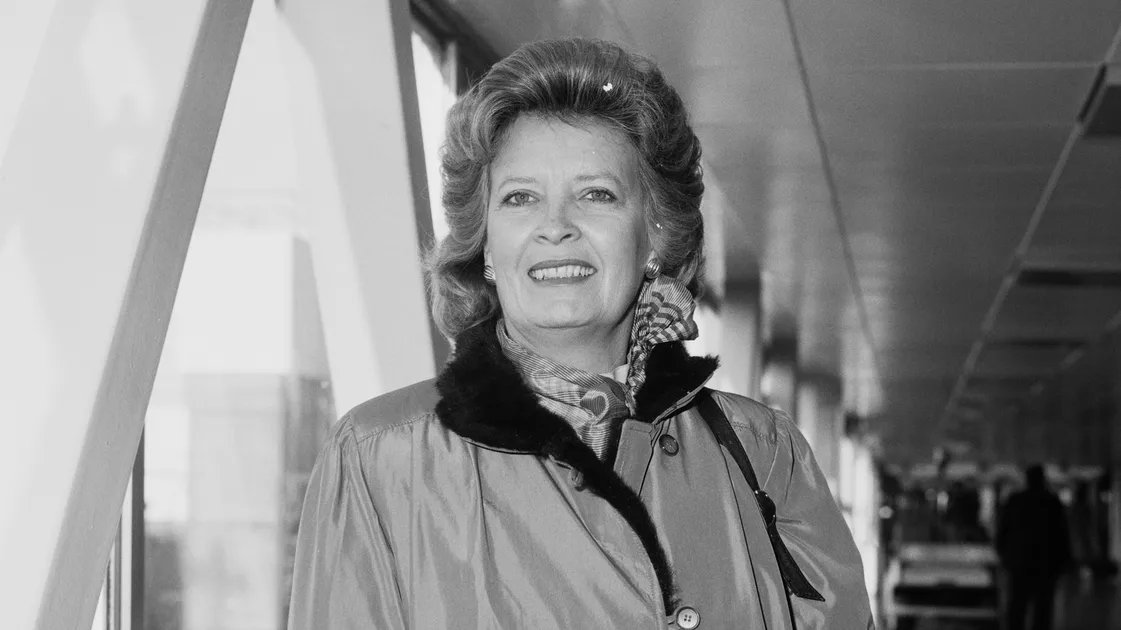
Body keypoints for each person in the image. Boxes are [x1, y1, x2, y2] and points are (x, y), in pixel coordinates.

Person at [287, 38, 872, 629]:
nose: (555, 227)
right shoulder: (378, 457)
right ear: (485, 244)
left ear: (656, 236)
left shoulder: (761, 450)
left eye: (596, 195)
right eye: (520, 198)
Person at [996, 465, 1071, 630]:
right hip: (1046, 564)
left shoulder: (1015, 500)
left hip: (1019, 563)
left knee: (1016, 607)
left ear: (1027, 480)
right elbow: (1062, 535)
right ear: (1043, 480)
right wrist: (1064, 562)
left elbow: (1002, 532)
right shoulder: (1052, 502)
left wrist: (1004, 557)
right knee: (1043, 610)